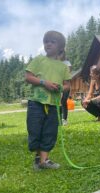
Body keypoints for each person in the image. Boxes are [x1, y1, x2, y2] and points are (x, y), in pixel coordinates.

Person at [25, 30, 71, 170]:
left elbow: (67, 84)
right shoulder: (39, 60)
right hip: (36, 103)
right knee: (35, 129)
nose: (48, 44)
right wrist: (44, 83)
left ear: (61, 47)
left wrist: (60, 88)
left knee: (50, 131)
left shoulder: (64, 66)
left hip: (53, 104)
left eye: (52, 41)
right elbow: (28, 77)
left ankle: (44, 161)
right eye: (46, 41)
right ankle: (38, 158)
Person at [59, 52, 72, 125]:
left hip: (65, 85)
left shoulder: (67, 63)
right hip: (58, 84)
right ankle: (59, 118)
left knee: (63, 101)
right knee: (58, 102)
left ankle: (64, 119)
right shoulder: (55, 63)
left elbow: (69, 72)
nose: (60, 55)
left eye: (61, 54)